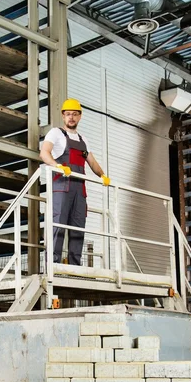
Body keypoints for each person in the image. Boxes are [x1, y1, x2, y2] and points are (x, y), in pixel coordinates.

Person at [40, 98, 110, 266]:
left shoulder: (83, 140)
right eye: (68, 114)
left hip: (79, 190)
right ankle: (53, 265)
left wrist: (103, 176)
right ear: (63, 116)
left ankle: (75, 266)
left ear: (80, 116)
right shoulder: (55, 133)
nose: (71, 117)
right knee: (58, 225)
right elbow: (44, 153)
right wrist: (57, 165)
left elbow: (92, 162)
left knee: (78, 228)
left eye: (75, 114)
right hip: (61, 187)